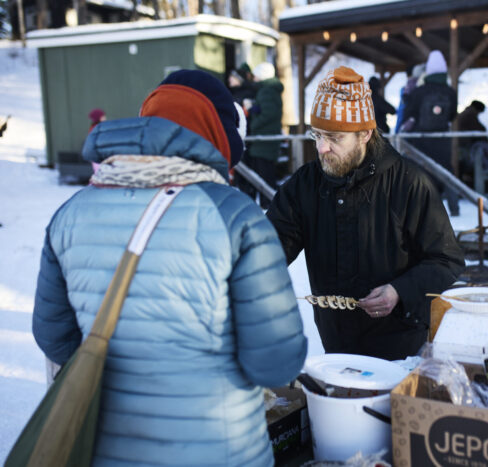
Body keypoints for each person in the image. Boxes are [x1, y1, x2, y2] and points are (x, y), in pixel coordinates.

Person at [32, 69, 307, 466]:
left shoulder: (70, 214)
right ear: (216, 137)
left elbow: (54, 338)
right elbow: (276, 362)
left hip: (109, 449)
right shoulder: (238, 217)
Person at [266, 66, 465, 361]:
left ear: (365, 134)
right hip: (336, 346)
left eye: (334, 137)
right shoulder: (305, 185)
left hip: (401, 346)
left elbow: (446, 260)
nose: (321, 148)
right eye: (317, 135)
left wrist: (399, 290)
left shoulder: (408, 183)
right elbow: (271, 245)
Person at [403, 50, 460, 216]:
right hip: (442, 140)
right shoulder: (450, 91)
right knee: (446, 173)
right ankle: (454, 208)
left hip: (422, 140)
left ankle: (421, 208)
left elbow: (409, 113)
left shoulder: (420, 91)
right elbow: (453, 115)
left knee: (420, 173)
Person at [243, 61, 283, 209]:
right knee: (264, 174)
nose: (253, 78)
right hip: (266, 139)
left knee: (264, 175)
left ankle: (269, 206)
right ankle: (270, 205)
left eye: (255, 75)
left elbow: (268, 113)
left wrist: (253, 122)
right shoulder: (269, 90)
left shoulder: (267, 90)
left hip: (264, 140)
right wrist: (255, 108)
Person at [395, 63, 424, 133]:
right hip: (418, 128)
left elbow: (401, 111)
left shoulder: (405, 90)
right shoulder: (422, 88)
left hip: (408, 127)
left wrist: (397, 129)